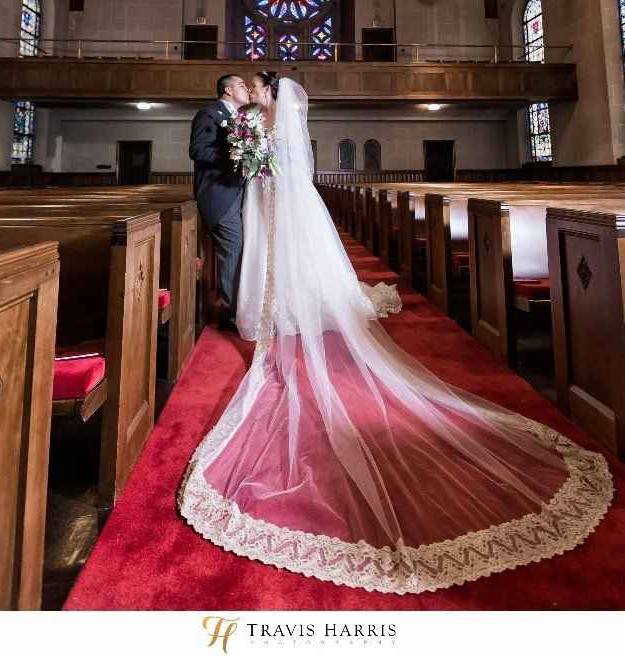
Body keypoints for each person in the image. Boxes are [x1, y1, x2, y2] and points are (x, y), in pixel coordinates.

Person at [179, 74, 613, 594]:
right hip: (261, 200)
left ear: (274, 95)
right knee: (267, 259)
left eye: (262, 88)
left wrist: (258, 154)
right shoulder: (259, 122)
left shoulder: (274, 124)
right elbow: (253, 160)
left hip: (276, 202)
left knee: (283, 260)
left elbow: (278, 165)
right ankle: (273, 303)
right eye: (252, 87)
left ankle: (287, 303)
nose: (257, 92)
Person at [189, 73, 250, 332]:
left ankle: (239, 306)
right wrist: (235, 152)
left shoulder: (242, 118)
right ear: (227, 90)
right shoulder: (209, 113)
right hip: (219, 194)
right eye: (241, 85)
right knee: (233, 249)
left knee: (240, 250)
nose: (247, 89)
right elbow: (197, 150)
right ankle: (231, 313)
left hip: (237, 192)